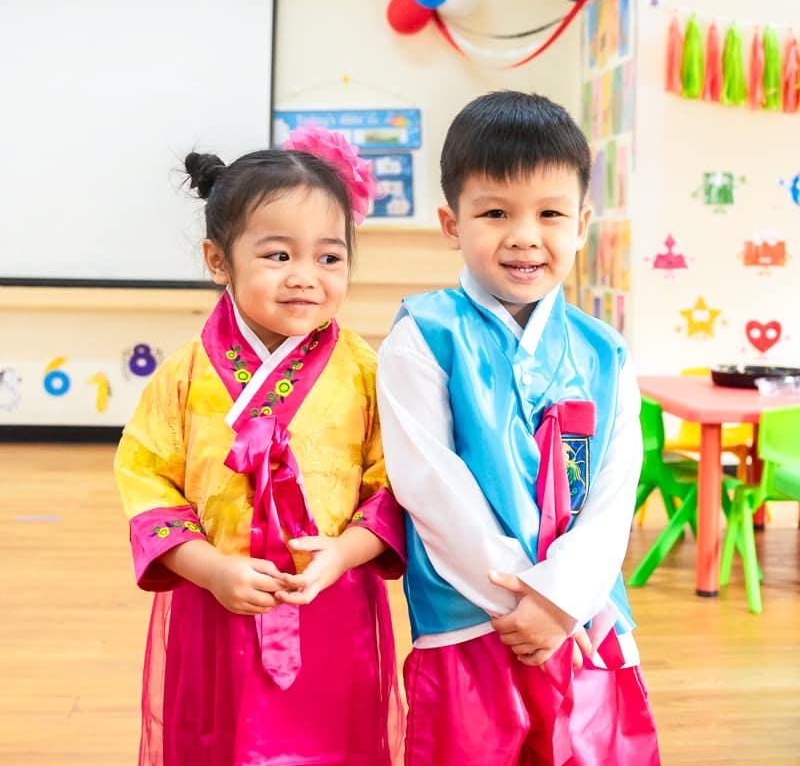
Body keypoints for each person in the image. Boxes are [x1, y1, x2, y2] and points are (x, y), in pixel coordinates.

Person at [377, 91, 660, 765]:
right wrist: (524, 601)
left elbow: (616, 492)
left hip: (585, 619)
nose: (525, 236)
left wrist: (561, 598)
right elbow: (430, 487)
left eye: (550, 213)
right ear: (452, 221)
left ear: (584, 222)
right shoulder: (424, 336)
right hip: (473, 621)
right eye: (496, 212)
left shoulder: (605, 352)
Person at [115, 126, 405, 766]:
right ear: (219, 260)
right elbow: (145, 479)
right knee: (218, 740)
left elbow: (394, 484)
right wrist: (212, 570)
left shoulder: (365, 370)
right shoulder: (184, 376)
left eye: (329, 258)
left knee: (337, 741)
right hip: (217, 601)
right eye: (279, 256)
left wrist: (342, 554)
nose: (306, 277)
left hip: (331, 594)